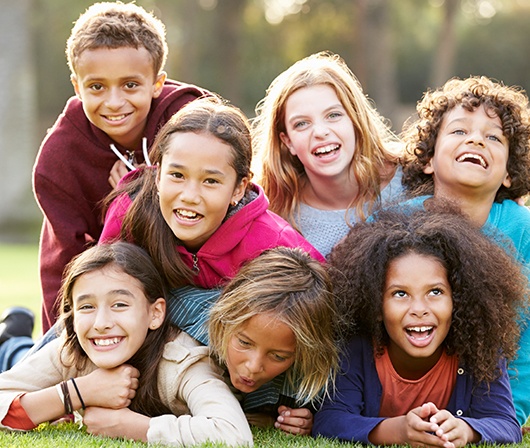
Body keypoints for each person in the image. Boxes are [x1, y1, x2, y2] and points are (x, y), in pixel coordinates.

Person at [33, 1, 209, 332]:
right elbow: (63, 261)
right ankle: (12, 343)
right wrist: (63, 339)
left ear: (157, 83)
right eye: (97, 87)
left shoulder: (193, 121)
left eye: (130, 85)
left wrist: (141, 193)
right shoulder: (59, 157)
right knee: (36, 366)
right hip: (106, 298)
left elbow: (225, 200)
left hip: (191, 282)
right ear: (77, 86)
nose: (114, 102)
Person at [0, 242, 252, 446]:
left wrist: (129, 426)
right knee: (17, 355)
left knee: (15, 352)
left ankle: (13, 335)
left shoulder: (183, 362)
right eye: (86, 307)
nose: (101, 323)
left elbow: (233, 434)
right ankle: (13, 337)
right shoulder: (71, 350)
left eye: (119, 304)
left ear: (155, 313)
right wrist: (77, 392)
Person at [313, 206, 526, 446]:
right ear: (375, 305)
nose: (419, 308)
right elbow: (330, 420)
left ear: (458, 298)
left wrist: (466, 430)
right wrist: (399, 430)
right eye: (400, 293)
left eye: (435, 292)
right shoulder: (358, 347)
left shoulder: (478, 348)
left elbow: (507, 424)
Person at [399, 75, 530, 427]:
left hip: (491, 390)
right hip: (410, 387)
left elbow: (527, 334)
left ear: (508, 173)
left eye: (493, 137)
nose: (476, 139)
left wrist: (511, 413)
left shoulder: (523, 230)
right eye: (459, 132)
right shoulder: (401, 222)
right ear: (428, 160)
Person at [100, 96, 325, 288]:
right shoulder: (130, 211)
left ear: (238, 189)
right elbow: (100, 288)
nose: (189, 196)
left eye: (210, 181)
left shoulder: (273, 242)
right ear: (158, 176)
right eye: (177, 175)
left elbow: (320, 296)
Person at [251, 51, 403, 257]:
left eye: (333, 115)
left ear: (355, 120)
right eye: (302, 124)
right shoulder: (275, 217)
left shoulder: (409, 178)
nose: (320, 132)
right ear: (288, 142)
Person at [206, 246, 339, 436]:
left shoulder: (309, 380)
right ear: (225, 319)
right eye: (244, 343)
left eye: (278, 356)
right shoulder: (191, 317)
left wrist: (308, 422)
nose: (253, 367)